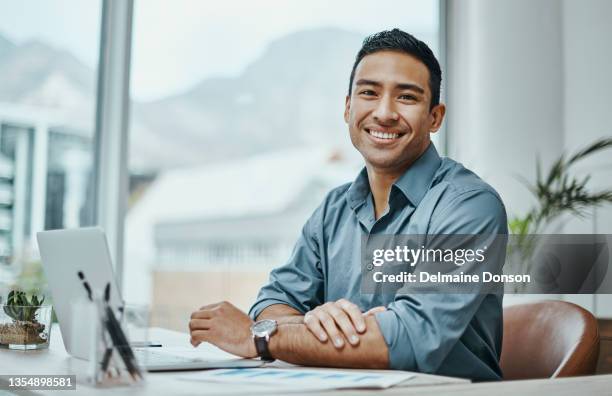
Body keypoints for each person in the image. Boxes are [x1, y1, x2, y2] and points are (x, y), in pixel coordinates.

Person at [189, 28, 507, 381]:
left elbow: (409, 339)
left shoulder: (469, 207)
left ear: (434, 117)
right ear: (347, 107)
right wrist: (311, 322)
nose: (384, 113)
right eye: (369, 93)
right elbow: (274, 301)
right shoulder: (333, 209)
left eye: (407, 97)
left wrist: (260, 337)